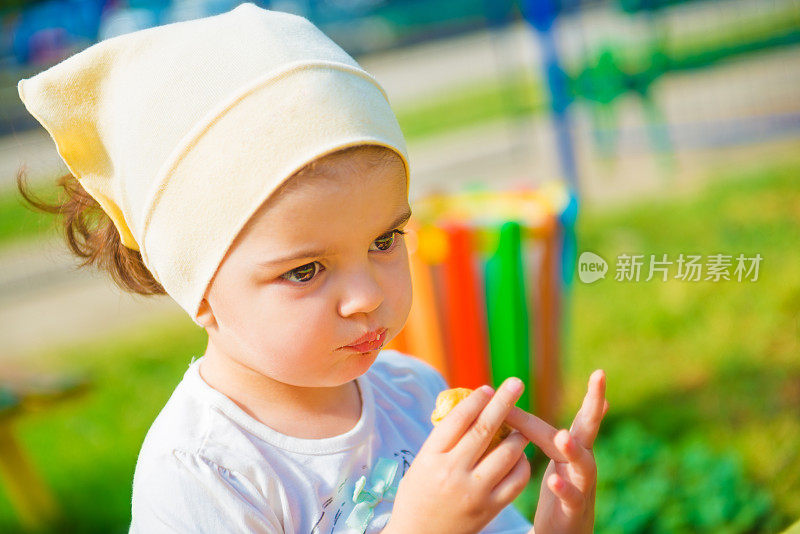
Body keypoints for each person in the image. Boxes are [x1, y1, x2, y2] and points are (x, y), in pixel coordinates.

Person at [15, 3, 608, 533]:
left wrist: (560, 518)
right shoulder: (203, 471)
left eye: (384, 239)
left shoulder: (412, 392)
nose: (366, 297)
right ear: (195, 286)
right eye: (306, 270)